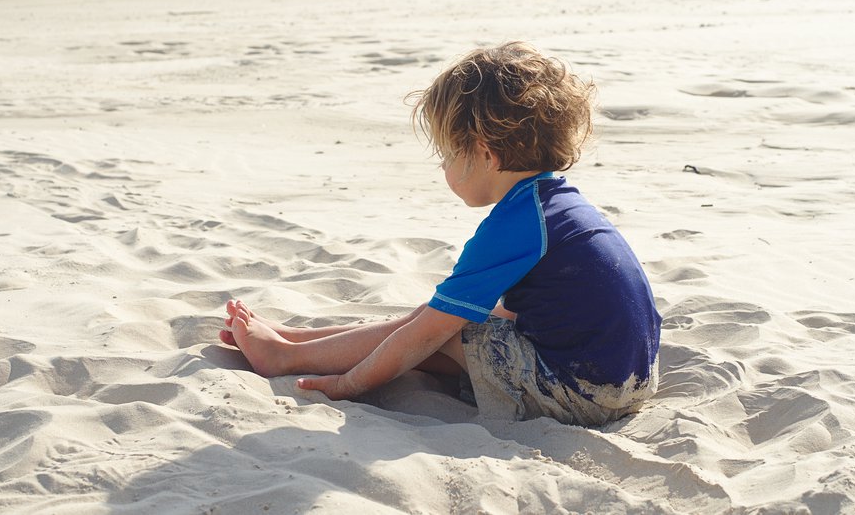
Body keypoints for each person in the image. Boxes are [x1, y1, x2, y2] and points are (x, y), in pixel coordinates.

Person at [220, 41, 661, 425]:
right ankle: (295, 342)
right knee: (456, 314)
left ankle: (286, 358)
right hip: (629, 381)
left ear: (484, 155)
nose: (443, 168)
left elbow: (430, 332)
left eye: (446, 155)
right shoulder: (557, 205)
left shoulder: (515, 224)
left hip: (583, 393)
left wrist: (347, 385)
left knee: (445, 327)